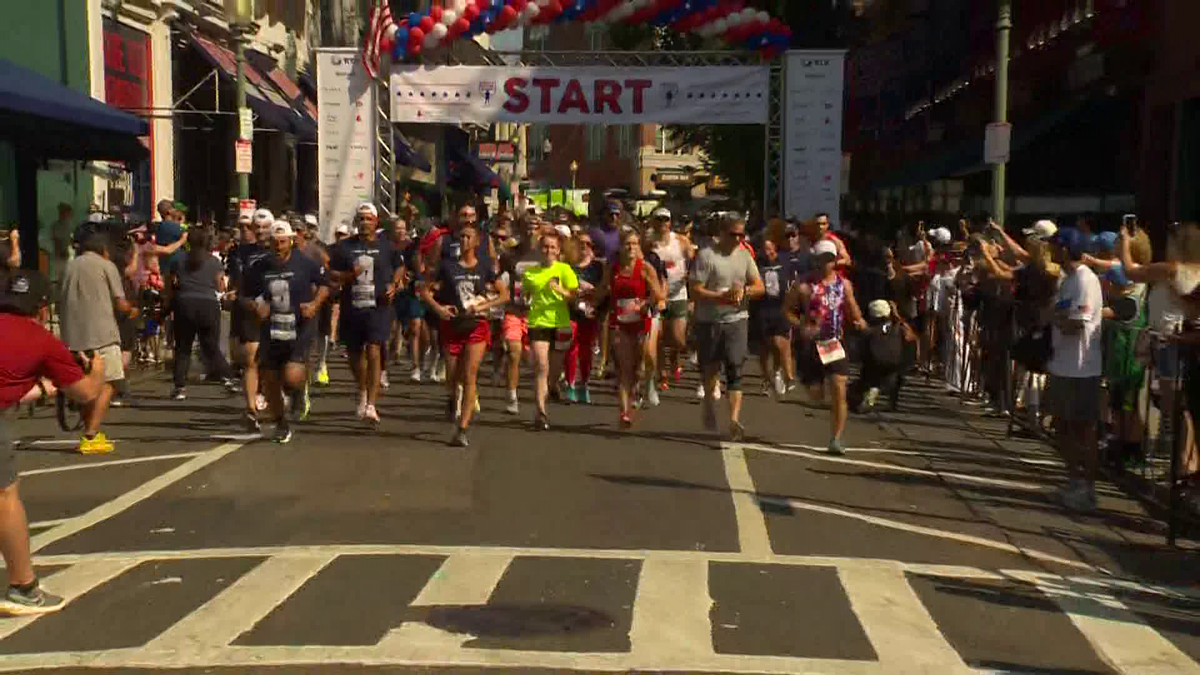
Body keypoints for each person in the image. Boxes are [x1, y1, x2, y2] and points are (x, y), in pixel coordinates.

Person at [0, 270, 107, 614]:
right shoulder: (43, 341)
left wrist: (47, 387)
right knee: (5, 496)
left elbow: (9, 383)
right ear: (43, 309)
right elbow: (87, 393)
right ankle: (24, 587)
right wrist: (98, 370)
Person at [242, 221, 330, 443]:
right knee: (270, 379)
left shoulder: (305, 263)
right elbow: (244, 295)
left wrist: (314, 305)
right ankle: (281, 423)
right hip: (271, 328)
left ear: (291, 241)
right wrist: (254, 306)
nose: (278, 246)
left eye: (282, 242)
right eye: (274, 242)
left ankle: (299, 391)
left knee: (290, 376)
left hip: (299, 326)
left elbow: (325, 285)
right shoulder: (259, 267)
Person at [421, 225, 508, 447]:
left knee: (470, 376)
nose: (464, 240)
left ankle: (462, 428)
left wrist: (484, 306)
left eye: (469, 237)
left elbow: (504, 294)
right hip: (452, 326)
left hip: (476, 326)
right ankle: (452, 397)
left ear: (477, 242)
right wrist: (439, 309)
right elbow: (424, 291)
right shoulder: (447, 267)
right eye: (461, 236)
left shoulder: (485, 267)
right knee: (452, 376)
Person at [1040, 227, 1105, 510]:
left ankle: (1088, 490)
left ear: (1065, 249)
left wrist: (1052, 317)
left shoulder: (1085, 280)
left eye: (1055, 246)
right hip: (1062, 365)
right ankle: (1074, 482)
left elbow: (1077, 324)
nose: (1051, 252)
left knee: (1083, 431)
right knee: (1062, 428)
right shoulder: (1066, 280)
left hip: (1081, 368)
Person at [59, 231, 139, 453]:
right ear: (104, 251)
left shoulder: (68, 266)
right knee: (110, 382)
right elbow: (120, 302)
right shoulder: (107, 266)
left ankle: (90, 429)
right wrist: (132, 311)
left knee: (87, 385)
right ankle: (91, 435)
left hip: (72, 337)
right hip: (102, 335)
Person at [785, 239, 867, 455]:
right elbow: (787, 311)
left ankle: (836, 439)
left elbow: (853, 310)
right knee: (816, 394)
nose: (825, 264)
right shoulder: (803, 285)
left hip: (834, 343)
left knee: (840, 387)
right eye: (821, 259)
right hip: (810, 346)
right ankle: (810, 382)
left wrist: (860, 322)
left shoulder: (843, 284)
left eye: (829, 259)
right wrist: (801, 324)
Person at [329, 203, 404, 425]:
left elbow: (399, 266)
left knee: (373, 350)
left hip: (378, 307)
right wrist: (348, 275)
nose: (364, 223)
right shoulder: (344, 247)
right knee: (354, 356)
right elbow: (331, 273)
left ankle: (371, 404)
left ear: (376, 222)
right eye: (360, 219)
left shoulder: (386, 246)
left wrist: (395, 283)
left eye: (368, 219)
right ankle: (361, 390)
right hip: (352, 306)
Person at [690, 215, 764, 441]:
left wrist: (745, 293)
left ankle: (733, 420)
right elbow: (695, 290)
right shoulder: (706, 256)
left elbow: (759, 286)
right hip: (710, 320)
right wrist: (721, 298)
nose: (739, 239)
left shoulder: (744, 255)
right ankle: (709, 406)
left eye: (742, 235)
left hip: (737, 319)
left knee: (735, 368)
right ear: (722, 233)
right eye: (734, 235)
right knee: (711, 369)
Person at [596, 229, 664, 428]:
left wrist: (646, 303)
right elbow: (601, 290)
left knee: (638, 369)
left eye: (635, 244)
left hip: (641, 323)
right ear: (620, 246)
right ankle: (625, 411)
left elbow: (658, 294)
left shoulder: (645, 268)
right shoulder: (613, 268)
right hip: (620, 323)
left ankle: (638, 388)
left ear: (639, 246)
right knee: (624, 369)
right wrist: (587, 297)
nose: (631, 247)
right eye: (627, 244)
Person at [166, 228, 236, 400]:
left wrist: (168, 304)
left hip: (184, 304)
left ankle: (180, 387)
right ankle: (229, 377)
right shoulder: (214, 262)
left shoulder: (179, 260)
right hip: (208, 305)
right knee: (211, 346)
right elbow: (220, 287)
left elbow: (171, 284)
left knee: (183, 348)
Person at [522, 230, 579, 430]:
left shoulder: (565, 270)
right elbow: (524, 296)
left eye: (552, 247)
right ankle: (541, 411)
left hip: (561, 322)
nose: (548, 250)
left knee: (554, 369)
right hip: (538, 322)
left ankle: (553, 386)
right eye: (545, 246)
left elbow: (574, 296)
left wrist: (560, 289)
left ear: (558, 250)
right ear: (540, 249)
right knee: (541, 366)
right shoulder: (530, 273)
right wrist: (525, 298)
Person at [227, 212, 272, 431]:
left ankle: (281, 393)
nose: (261, 231)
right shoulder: (242, 253)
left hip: (279, 312)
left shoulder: (283, 251)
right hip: (251, 311)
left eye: (265, 227)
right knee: (250, 360)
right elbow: (239, 284)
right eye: (258, 227)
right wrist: (238, 296)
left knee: (278, 364)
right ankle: (251, 409)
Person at [649, 207, 692, 391]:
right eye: (658, 219)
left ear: (670, 222)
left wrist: (691, 276)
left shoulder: (681, 241)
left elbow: (694, 260)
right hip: (659, 297)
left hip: (679, 294)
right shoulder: (648, 243)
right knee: (658, 338)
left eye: (665, 220)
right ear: (653, 222)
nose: (662, 223)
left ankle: (675, 358)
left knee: (678, 339)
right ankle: (663, 374)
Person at [565, 230, 604, 404]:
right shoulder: (567, 266)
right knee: (571, 346)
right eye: (581, 242)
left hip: (590, 312)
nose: (584, 246)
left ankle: (584, 384)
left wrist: (593, 295)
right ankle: (570, 384)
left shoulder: (598, 267)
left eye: (588, 244)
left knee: (586, 350)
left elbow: (603, 290)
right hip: (571, 311)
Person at [754, 238, 796, 397]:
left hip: (780, 309)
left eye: (771, 249)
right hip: (763, 309)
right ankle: (766, 378)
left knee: (780, 343)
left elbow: (792, 286)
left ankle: (782, 374)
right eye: (765, 249)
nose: (768, 252)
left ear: (776, 250)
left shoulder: (785, 265)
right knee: (764, 347)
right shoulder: (757, 266)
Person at [38, 203, 74, 283]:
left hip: (66, 255)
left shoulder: (68, 225)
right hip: (59, 255)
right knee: (59, 278)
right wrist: (62, 252)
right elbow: (57, 240)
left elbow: (69, 239)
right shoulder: (56, 225)